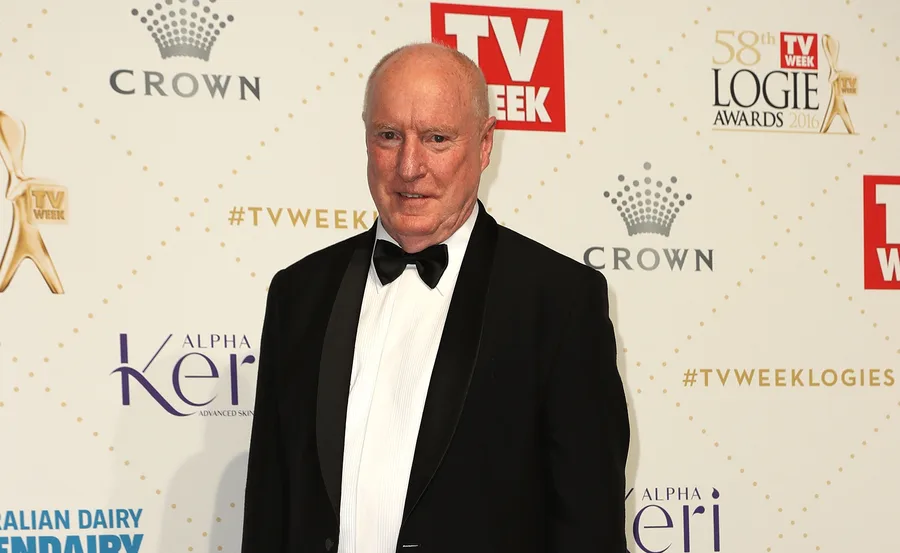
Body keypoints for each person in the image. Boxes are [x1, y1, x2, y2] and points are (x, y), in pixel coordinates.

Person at [240, 42, 629, 553]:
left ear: (485, 145)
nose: (409, 166)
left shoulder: (559, 303)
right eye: (388, 136)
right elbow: (270, 507)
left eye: (437, 138)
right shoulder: (298, 294)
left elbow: (589, 528)